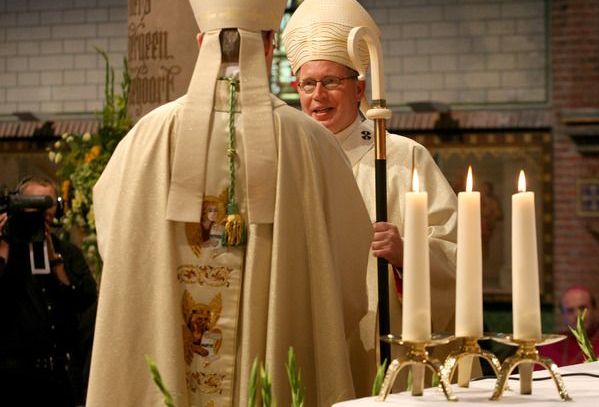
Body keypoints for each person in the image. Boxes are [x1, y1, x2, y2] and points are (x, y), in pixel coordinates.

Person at [86, 0, 372, 406]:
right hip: (273, 360)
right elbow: (345, 272)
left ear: (201, 41)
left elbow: (120, 253)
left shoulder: (147, 137)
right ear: (271, 44)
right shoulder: (309, 142)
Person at [283, 0, 458, 395]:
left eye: (331, 82)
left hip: (385, 340)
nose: (317, 96)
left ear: (359, 88)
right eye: (307, 84)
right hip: (307, 327)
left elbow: (454, 249)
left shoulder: (400, 156)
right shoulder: (287, 159)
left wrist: (406, 252)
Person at [0, 175, 97, 406]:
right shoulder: (6, 251)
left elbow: (87, 302)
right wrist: (3, 248)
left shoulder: (67, 253)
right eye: (32, 203)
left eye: (48, 203)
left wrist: (55, 262)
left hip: (60, 381)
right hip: (11, 381)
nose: (42, 211)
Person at [538, 286, 599, 367]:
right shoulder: (550, 347)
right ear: (563, 315)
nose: (577, 315)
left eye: (582, 308)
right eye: (570, 311)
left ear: (594, 310)